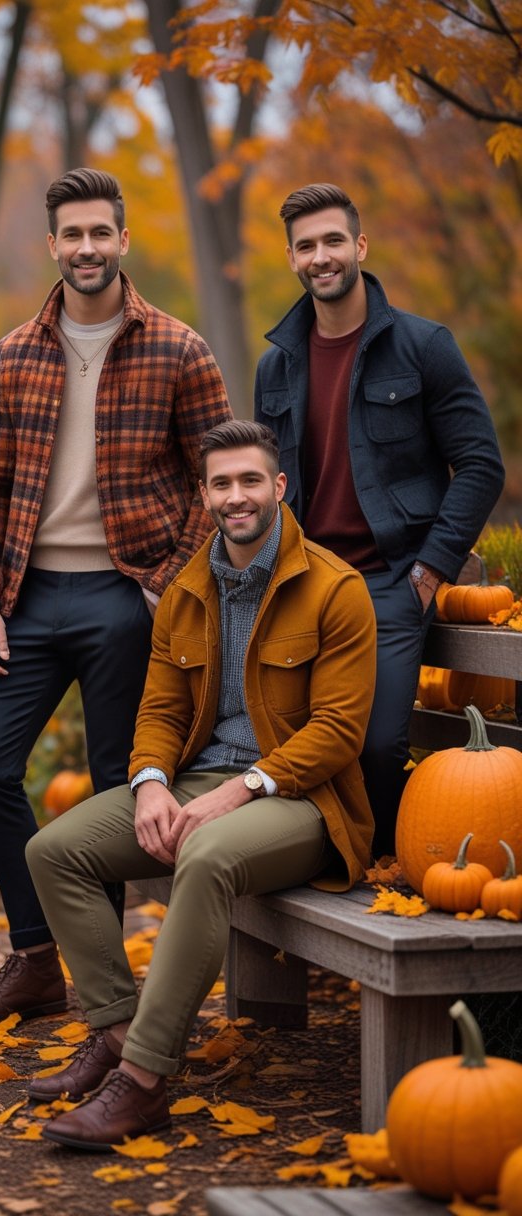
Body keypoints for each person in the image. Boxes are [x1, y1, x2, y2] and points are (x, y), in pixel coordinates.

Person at [23, 419, 377, 1149]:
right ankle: (120, 1034)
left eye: (250, 480)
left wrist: (240, 789)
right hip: (199, 783)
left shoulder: (335, 590)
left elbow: (337, 732)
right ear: (204, 493)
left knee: (206, 855)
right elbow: (158, 709)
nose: (236, 496)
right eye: (221, 483)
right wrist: (152, 783)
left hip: (301, 802)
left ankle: (145, 1085)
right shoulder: (186, 591)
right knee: (55, 850)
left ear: (278, 487)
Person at [0, 167, 232, 1032]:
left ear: (123, 239)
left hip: (125, 596)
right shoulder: (17, 355)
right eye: (71, 234)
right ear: (53, 246)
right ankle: (35, 959)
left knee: (114, 788)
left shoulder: (179, 349)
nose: (86, 248)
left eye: (99, 232)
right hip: (27, 599)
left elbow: (211, 483)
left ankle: (106, 1001)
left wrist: (164, 584)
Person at [254, 183, 504, 856]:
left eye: (333, 240)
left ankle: (384, 869)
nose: (321, 256)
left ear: (360, 246)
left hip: (392, 581)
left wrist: (429, 571)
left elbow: (481, 466)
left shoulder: (423, 346)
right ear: (291, 259)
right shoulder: (275, 364)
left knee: (377, 745)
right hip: (303, 584)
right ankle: (317, 873)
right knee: (288, 743)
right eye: (306, 246)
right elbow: (269, 483)